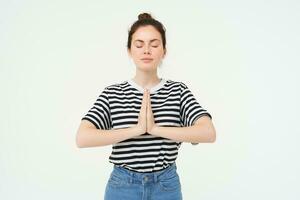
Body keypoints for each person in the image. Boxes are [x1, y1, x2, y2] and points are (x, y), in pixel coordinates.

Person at [76, 12, 216, 200]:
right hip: (122, 186)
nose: (146, 50)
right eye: (139, 44)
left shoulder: (178, 91)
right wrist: (137, 129)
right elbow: (83, 138)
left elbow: (208, 133)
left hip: (166, 186)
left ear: (164, 51)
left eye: (154, 44)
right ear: (129, 51)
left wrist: (156, 129)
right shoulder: (112, 93)